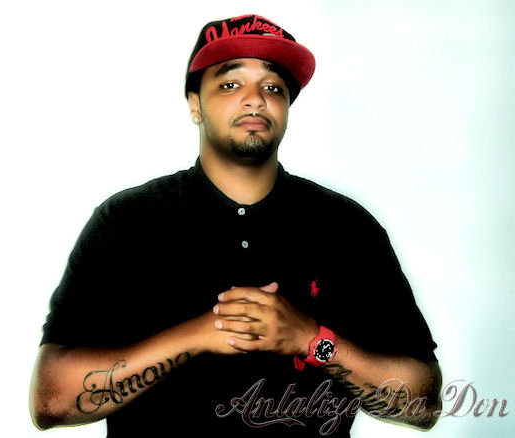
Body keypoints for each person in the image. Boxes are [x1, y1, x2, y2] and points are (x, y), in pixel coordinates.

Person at [30, 14, 442, 437]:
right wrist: (195, 336)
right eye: (230, 84)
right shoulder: (126, 222)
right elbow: (50, 401)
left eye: (273, 87)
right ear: (195, 104)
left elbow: (424, 404)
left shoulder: (347, 229)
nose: (255, 99)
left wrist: (310, 340)